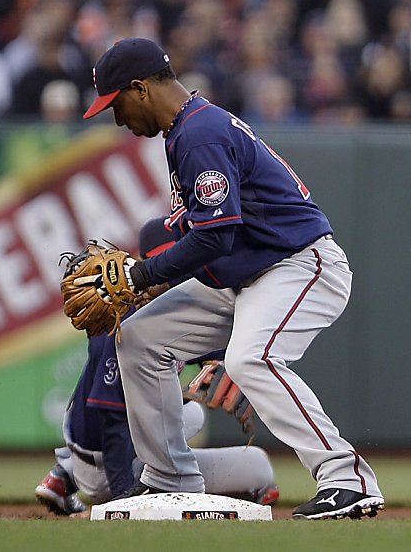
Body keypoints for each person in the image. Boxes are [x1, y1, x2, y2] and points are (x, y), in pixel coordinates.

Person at [81, 38, 383, 520]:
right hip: (245, 276)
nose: (117, 119)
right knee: (141, 338)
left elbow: (215, 238)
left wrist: (140, 275)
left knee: (250, 357)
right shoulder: (186, 131)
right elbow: (202, 236)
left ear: (139, 89)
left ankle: (347, 478)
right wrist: (155, 282)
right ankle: (170, 480)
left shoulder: (200, 133)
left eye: (116, 105)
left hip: (298, 264)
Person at [35, 217, 279, 516]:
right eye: (161, 261)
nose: (174, 274)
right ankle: (75, 472)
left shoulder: (180, 313)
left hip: (110, 448)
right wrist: (123, 501)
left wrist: (232, 366)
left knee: (193, 415)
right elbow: (112, 423)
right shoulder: (123, 322)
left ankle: (65, 472)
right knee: (256, 469)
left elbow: (216, 349)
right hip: (109, 465)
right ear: (146, 265)